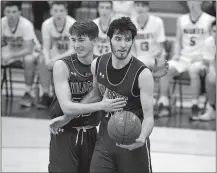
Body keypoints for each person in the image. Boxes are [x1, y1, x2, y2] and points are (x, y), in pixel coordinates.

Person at [48, 20, 126, 173]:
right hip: (65, 133)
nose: (76, 45)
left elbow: (95, 94)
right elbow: (66, 107)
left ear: (95, 40)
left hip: (91, 132)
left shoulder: (102, 64)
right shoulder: (62, 66)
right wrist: (101, 106)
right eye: (74, 40)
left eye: (81, 40)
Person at [90, 17, 154, 173]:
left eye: (128, 39)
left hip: (133, 140)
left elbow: (149, 116)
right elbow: (95, 95)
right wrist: (69, 115)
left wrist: (142, 136)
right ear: (109, 39)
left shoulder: (143, 74)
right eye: (118, 38)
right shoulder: (97, 64)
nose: (123, 45)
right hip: (105, 138)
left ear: (133, 41)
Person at [156, 0, 215, 118]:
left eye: (194, 1)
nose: (192, 3)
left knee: (194, 70)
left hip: (200, 58)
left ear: (201, 2)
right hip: (184, 57)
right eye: (189, 1)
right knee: (165, 68)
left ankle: (195, 106)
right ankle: (164, 103)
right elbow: (178, 40)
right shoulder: (181, 19)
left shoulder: (209, 20)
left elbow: (211, 42)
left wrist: (204, 58)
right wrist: (176, 54)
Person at [37, 1, 76, 109]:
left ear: (66, 12)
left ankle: (62, 95)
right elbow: (45, 47)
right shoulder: (46, 24)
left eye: (61, 11)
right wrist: (47, 60)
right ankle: (45, 94)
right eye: (55, 11)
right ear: (51, 12)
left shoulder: (72, 24)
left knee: (60, 63)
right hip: (54, 54)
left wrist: (54, 60)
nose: (58, 14)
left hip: (70, 56)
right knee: (41, 60)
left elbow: (73, 50)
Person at [1, 1, 41, 107]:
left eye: (14, 12)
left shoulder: (26, 25)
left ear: (19, 12)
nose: (11, 15)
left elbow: (28, 49)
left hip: (30, 52)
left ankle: (28, 92)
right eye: (8, 12)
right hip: (11, 52)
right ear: (4, 12)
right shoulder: (2, 23)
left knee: (28, 59)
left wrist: (10, 56)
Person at [132, 1, 166, 71]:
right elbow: (131, 47)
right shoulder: (130, 23)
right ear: (134, 7)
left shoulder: (157, 22)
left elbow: (161, 46)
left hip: (155, 57)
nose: (140, 8)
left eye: (143, 6)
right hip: (138, 57)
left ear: (148, 8)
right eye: (138, 5)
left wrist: (155, 57)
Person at [192, 20, 216, 121]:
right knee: (210, 77)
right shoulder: (209, 41)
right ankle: (211, 108)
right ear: (211, 32)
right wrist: (213, 73)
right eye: (214, 31)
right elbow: (210, 62)